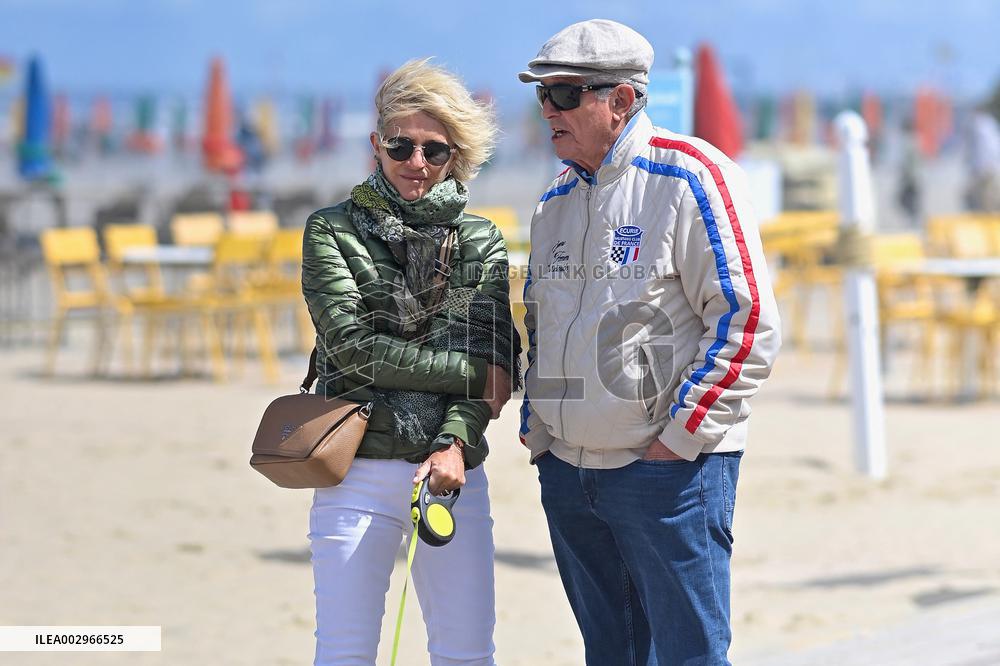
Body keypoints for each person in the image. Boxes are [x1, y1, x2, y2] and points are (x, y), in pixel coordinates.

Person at [517, 20, 781, 665]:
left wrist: (680, 438)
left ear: (623, 99)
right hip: (570, 474)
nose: (549, 109)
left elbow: (748, 322)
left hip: (666, 474)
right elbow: (543, 323)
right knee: (610, 656)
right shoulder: (555, 199)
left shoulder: (692, 176)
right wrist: (541, 428)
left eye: (566, 94)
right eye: (542, 94)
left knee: (689, 656)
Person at [301, 58, 518, 665]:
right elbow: (353, 350)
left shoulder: (480, 238)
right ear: (376, 144)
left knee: (467, 654)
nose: (416, 163)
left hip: (452, 475)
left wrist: (454, 442)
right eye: (401, 145)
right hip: (356, 469)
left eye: (434, 150)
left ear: (457, 157)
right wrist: (472, 374)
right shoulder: (332, 230)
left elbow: (494, 350)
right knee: (343, 654)